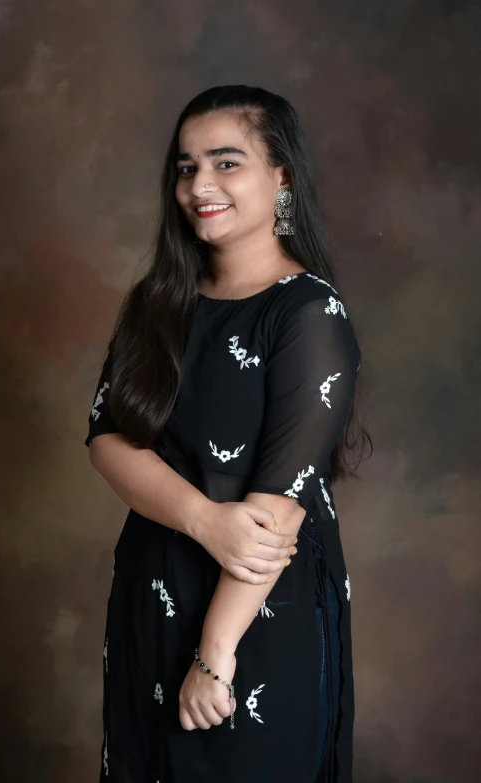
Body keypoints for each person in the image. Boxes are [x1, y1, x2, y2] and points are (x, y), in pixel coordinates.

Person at [85, 84, 372, 783]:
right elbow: (107, 436)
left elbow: (277, 507)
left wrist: (215, 655)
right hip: (152, 591)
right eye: (186, 167)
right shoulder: (157, 302)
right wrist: (205, 519)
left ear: (282, 177)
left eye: (225, 162)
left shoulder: (307, 311)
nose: (199, 185)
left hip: (255, 614)